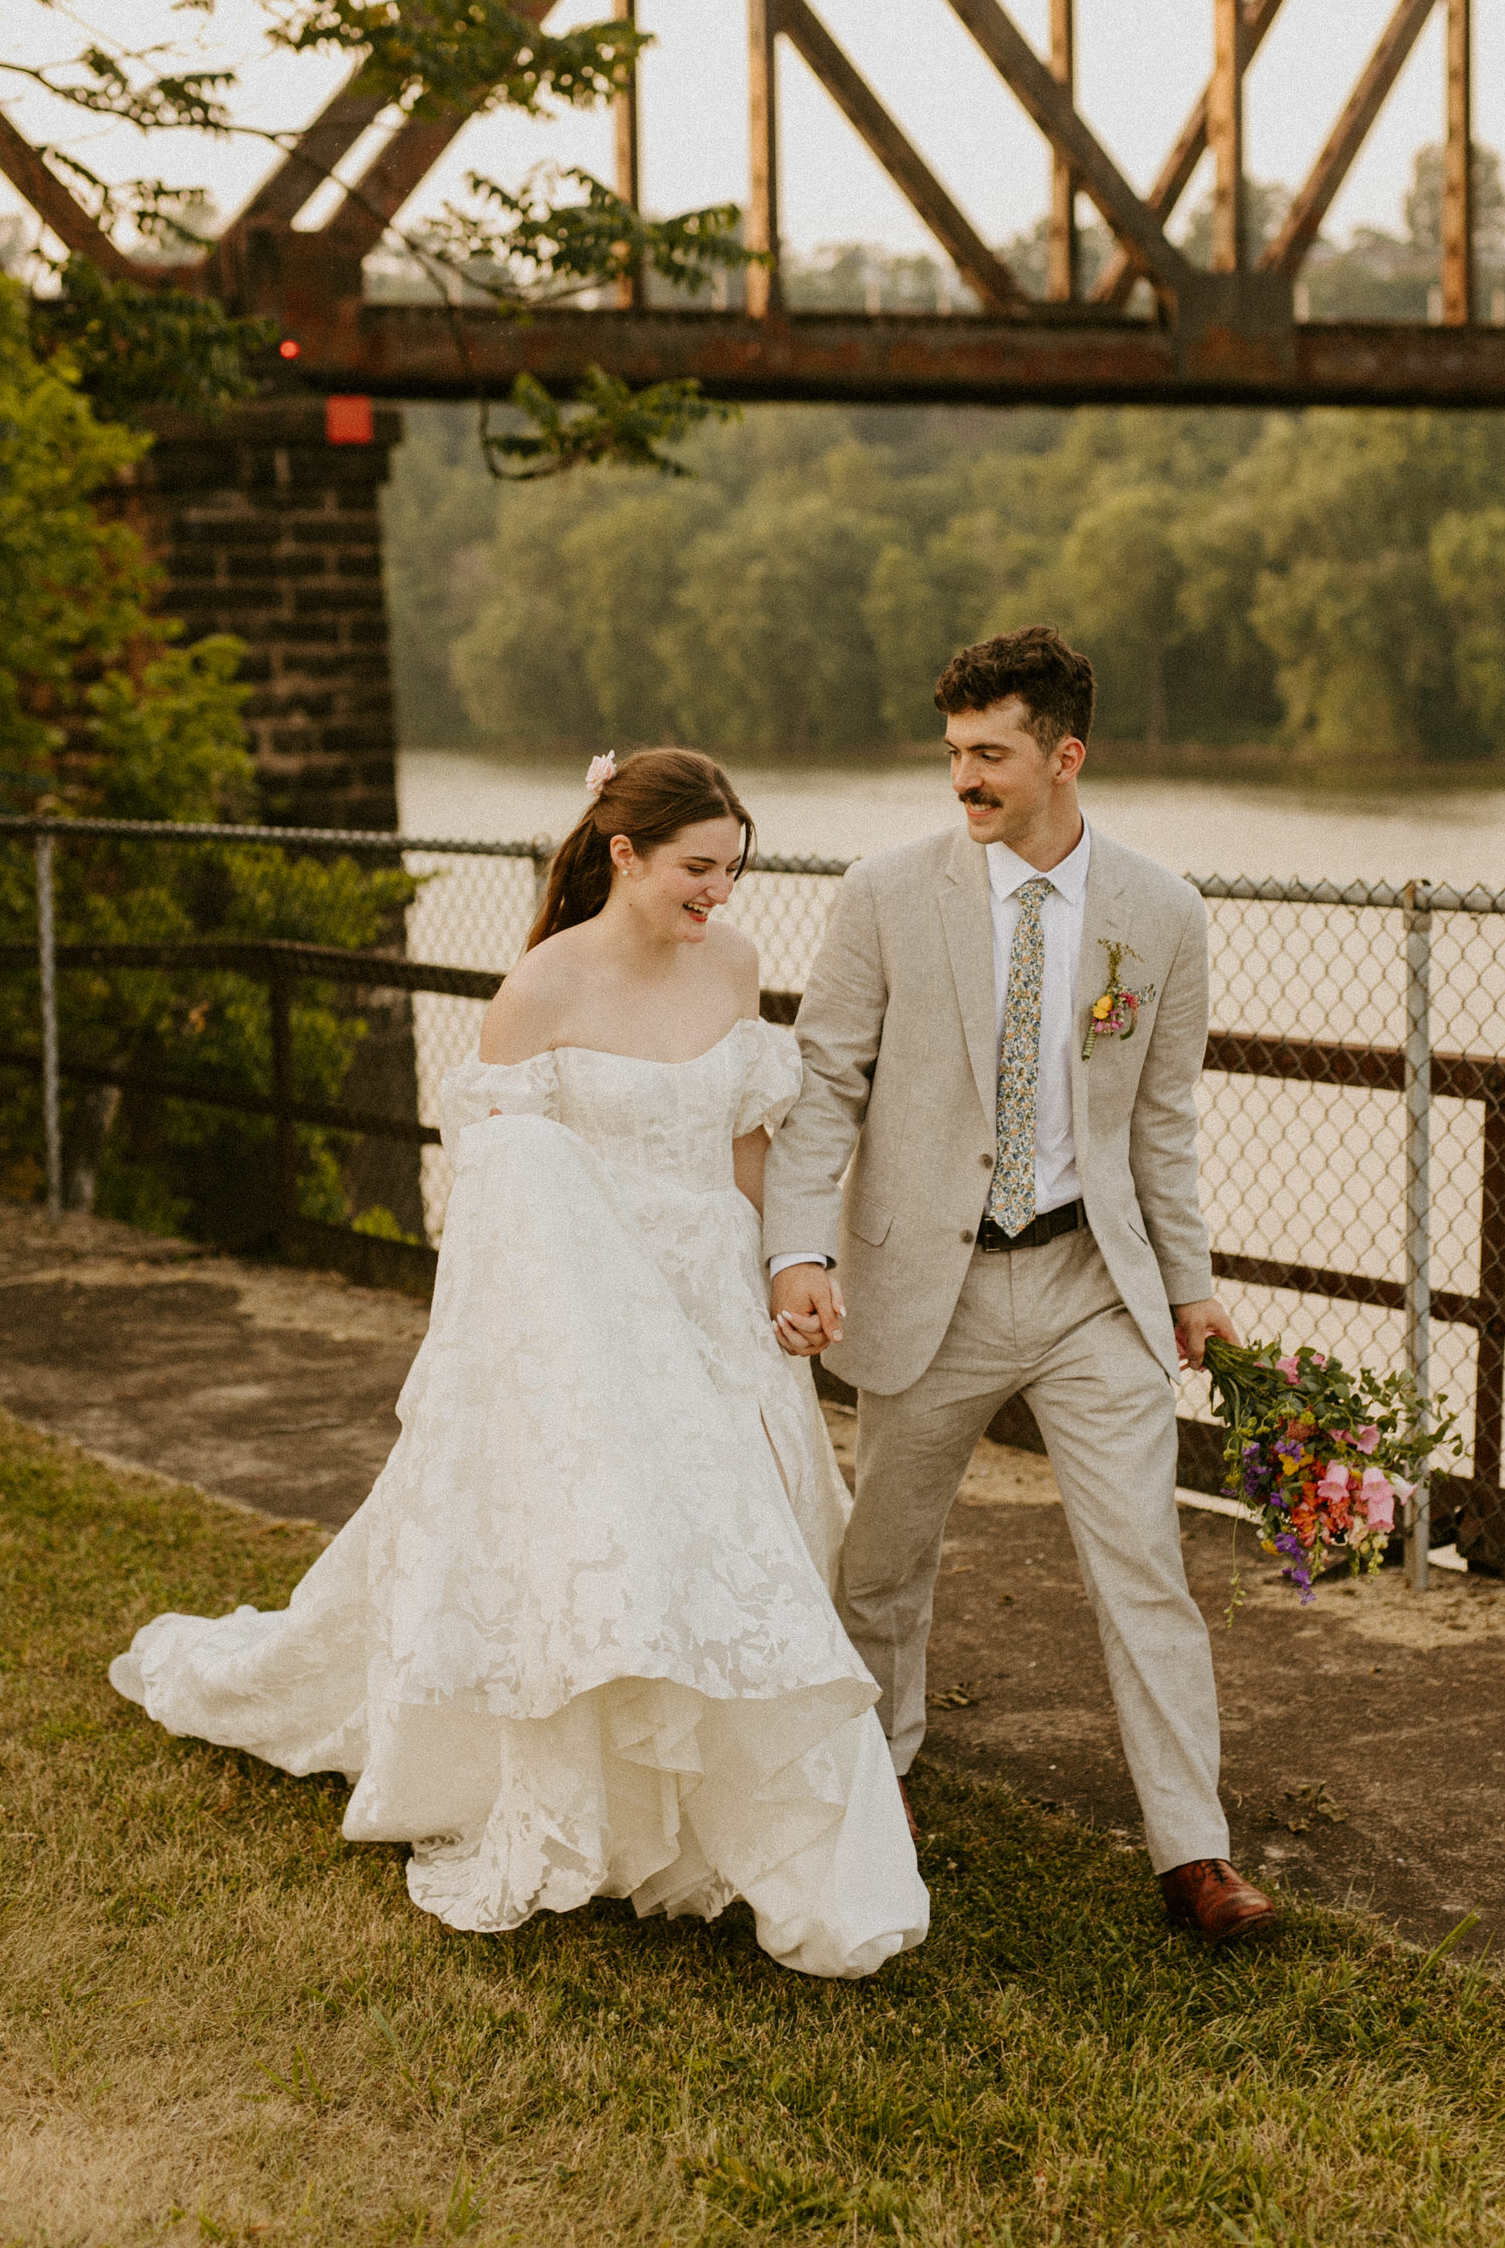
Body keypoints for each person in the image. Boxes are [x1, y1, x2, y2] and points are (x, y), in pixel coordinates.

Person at [111, 748, 928, 1981]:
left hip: (710, 1294)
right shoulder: (537, 993)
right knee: (618, 1539)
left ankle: (728, 1784)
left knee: (741, 1534)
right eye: (697, 869)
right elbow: (503, 1227)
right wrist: (568, 1373)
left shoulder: (737, 964)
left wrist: (780, 1273)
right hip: (588, 1332)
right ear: (624, 854)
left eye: (732, 870)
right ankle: (613, 1799)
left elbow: (746, 1146)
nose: (719, 892)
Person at [764, 627, 1277, 1946]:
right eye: (951, 754)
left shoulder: (1159, 914)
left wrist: (1190, 1286)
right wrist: (798, 1248)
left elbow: (1156, 1125)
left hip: (1084, 1287)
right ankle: (876, 1785)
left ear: (1063, 756)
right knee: (881, 1562)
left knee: (1143, 1565)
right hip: (921, 1290)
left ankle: (1191, 1847)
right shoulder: (884, 895)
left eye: (987, 755)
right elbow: (823, 1091)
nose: (962, 780)